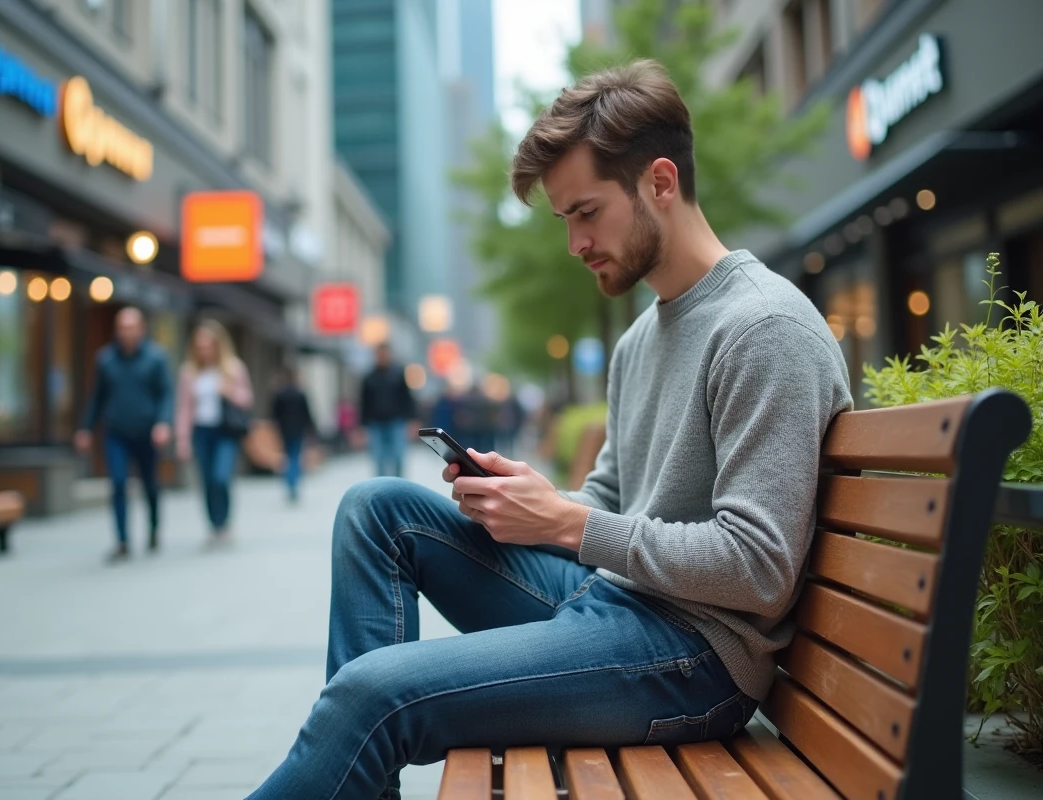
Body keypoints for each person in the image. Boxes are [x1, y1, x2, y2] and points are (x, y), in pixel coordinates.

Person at [246, 60, 852, 800]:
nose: (574, 243)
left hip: (693, 660)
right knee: (376, 510)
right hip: (615, 602)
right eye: (565, 219)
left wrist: (568, 523)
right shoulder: (641, 338)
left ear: (661, 183)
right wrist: (532, 502)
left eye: (587, 212)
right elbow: (609, 501)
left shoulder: (763, 330)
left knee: (373, 693)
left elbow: (758, 568)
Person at [75, 307, 173, 562]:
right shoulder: (106, 359)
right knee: (118, 483)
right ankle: (122, 540)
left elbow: (166, 393)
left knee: (150, 483)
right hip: (116, 432)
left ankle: (154, 529)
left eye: (130, 327)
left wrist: (163, 423)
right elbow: (97, 397)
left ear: (141, 329)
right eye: (121, 327)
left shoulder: (155, 358)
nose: (126, 332)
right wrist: (86, 428)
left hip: (147, 432)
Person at [174, 319, 254, 544]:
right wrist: (182, 440)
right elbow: (184, 409)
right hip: (201, 432)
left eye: (208, 346)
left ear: (218, 346)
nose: (204, 351)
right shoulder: (189, 372)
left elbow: (248, 399)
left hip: (225, 432)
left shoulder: (233, 368)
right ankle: (214, 525)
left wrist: (229, 391)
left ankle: (225, 521)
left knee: (221, 477)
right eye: (199, 347)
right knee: (207, 481)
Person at [359, 342, 416, 478]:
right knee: (378, 458)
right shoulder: (369, 377)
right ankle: (382, 484)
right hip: (376, 423)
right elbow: (364, 403)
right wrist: (361, 426)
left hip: (396, 421)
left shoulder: (398, 374)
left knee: (398, 456)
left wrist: (412, 420)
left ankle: (398, 483)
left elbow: (407, 398)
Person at [270, 366, 318, 502]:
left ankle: (289, 482)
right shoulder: (300, 394)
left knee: (288, 456)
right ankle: (293, 483)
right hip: (298, 429)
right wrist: (311, 429)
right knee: (295, 456)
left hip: (284, 430)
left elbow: (274, 414)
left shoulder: (280, 394)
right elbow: (307, 413)